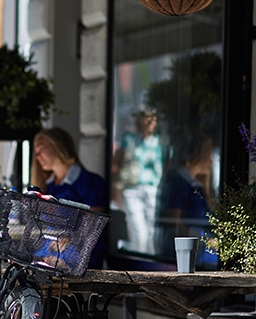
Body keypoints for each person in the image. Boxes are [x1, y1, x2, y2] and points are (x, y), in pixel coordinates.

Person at [31, 127, 108, 269]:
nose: (37, 156)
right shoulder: (47, 186)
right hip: (50, 249)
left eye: (41, 149)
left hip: (79, 253)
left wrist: (70, 238)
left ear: (58, 146)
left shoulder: (89, 182)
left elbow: (94, 224)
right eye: (36, 153)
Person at [158, 134, 218, 269]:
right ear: (196, 155)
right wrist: (206, 240)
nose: (210, 161)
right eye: (207, 155)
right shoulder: (178, 181)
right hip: (185, 254)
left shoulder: (196, 183)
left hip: (200, 249)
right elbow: (172, 223)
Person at [112, 108, 164, 254]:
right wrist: (115, 187)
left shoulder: (158, 140)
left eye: (153, 118)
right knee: (138, 229)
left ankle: (151, 259)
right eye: (146, 118)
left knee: (152, 229)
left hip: (153, 188)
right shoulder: (129, 138)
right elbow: (117, 162)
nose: (150, 121)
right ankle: (140, 258)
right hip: (132, 188)